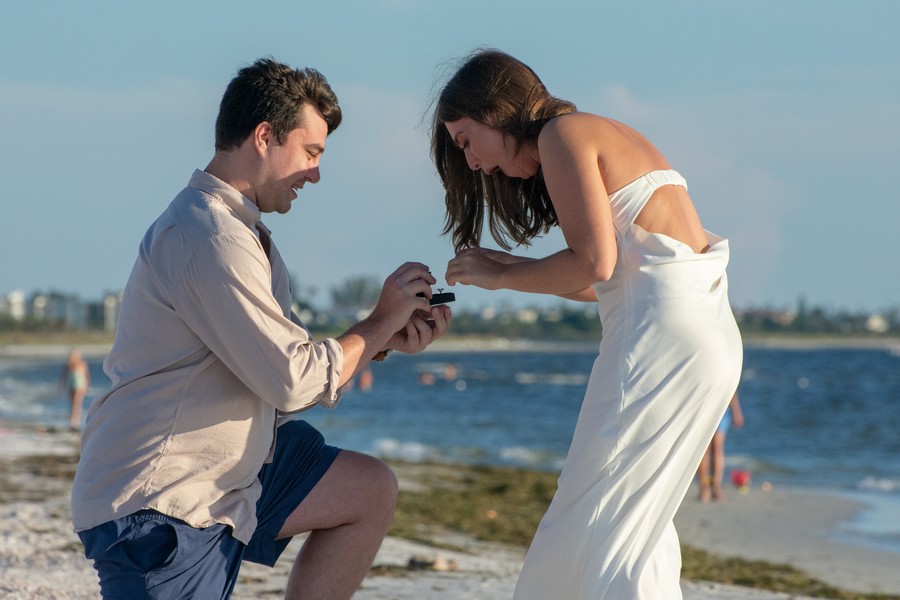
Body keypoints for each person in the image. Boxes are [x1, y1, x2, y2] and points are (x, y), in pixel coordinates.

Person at [70, 57, 451, 600]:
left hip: (231, 475)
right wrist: (378, 320)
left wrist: (385, 338)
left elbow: (297, 372)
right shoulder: (209, 236)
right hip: (163, 504)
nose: (316, 173)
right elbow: (293, 380)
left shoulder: (246, 235)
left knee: (366, 490)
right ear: (265, 136)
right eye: (311, 152)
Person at [430, 49, 742, 598]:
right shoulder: (600, 131)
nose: (472, 162)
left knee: (589, 515)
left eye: (464, 141)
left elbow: (593, 265)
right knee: (636, 526)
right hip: (709, 336)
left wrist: (503, 277)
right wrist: (506, 269)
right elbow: (606, 277)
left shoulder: (560, 135)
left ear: (495, 109)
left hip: (660, 339)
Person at [697, 391, 745, 502]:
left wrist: (736, 410)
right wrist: (736, 411)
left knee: (713, 447)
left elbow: (732, 386)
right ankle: (708, 488)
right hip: (708, 404)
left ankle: (712, 487)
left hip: (715, 404)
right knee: (708, 447)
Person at [60, 348, 90, 430]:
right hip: (78, 385)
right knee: (77, 404)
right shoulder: (77, 364)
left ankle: (74, 422)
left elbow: (64, 377)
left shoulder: (71, 364)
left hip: (76, 385)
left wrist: (62, 385)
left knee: (74, 404)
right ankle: (75, 423)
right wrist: (87, 386)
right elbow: (87, 376)